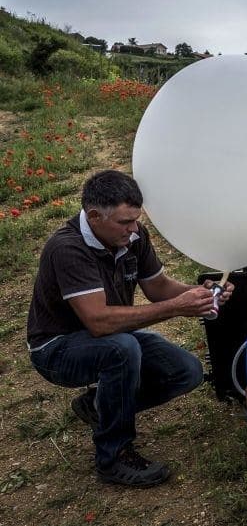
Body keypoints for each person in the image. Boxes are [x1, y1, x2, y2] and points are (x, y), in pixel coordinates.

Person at [26, 170, 234, 487]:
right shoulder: (68, 248)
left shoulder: (133, 237)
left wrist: (199, 292)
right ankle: (113, 457)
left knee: (187, 371)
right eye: (125, 222)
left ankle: (99, 406)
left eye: (135, 219)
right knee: (123, 350)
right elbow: (98, 321)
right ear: (94, 216)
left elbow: (158, 287)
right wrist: (177, 308)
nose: (133, 228)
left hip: (109, 335)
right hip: (57, 349)